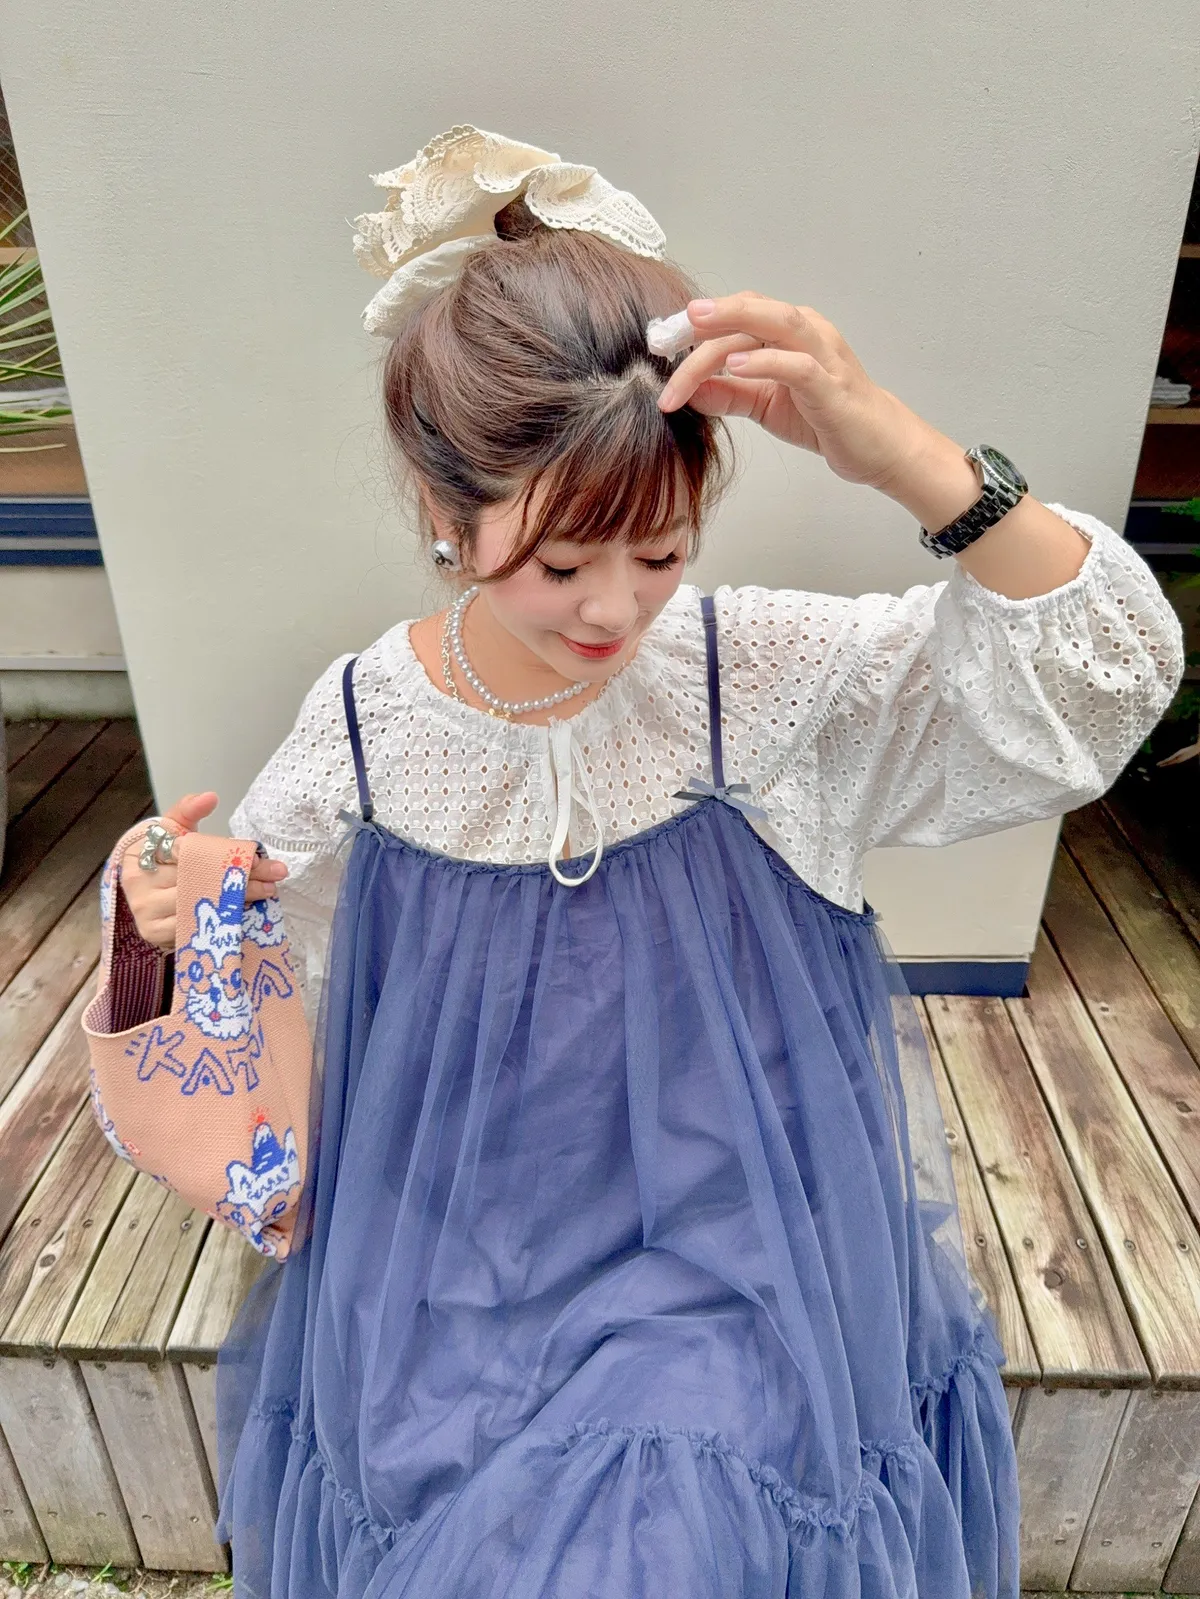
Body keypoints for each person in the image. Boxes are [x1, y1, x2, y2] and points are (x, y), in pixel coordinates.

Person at [118, 127, 1183, 1598]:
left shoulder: (759, 684)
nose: (614, 610)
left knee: (659, 1537)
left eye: (662, 551)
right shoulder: (366, 723)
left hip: (742, 1261)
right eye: (562, 564)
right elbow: (262, 963)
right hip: (455, 1264)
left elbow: (1094, 687)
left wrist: (902, 451)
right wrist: (171, 909)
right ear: (442, 513)